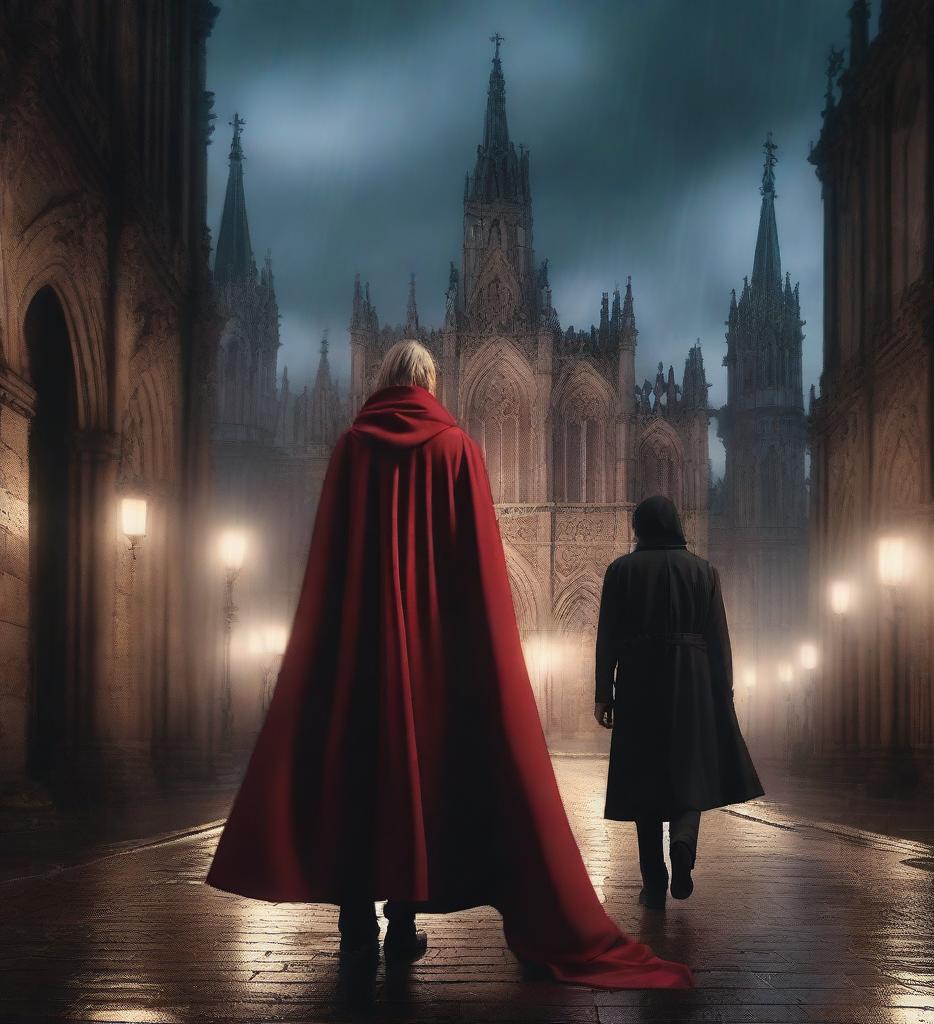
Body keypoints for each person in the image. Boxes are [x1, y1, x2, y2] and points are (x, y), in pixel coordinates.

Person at [206, 341, 693, 989]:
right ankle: (403, 924)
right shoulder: (457, 450)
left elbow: (329, 565)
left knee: (359, 780)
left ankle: (357, 931)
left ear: (382, 382)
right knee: (420, 782)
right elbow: (479, 573)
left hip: (360, 658)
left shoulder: (352, 448)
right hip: (428, 659)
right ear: (434, 384)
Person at [594, 495, 764, 909]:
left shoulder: (620, 571)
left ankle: (653, 881)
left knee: (643, 779)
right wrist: (722, 691)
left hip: (638, 681)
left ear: (640, 527)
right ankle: (684, 844)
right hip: (692, 681)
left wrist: (605, 692)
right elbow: (719, 640)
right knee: (690, 771)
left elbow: (608, 636)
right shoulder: (703, 571)